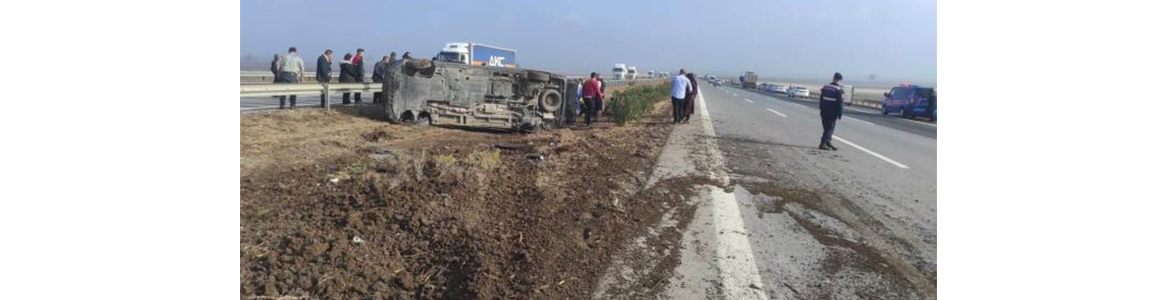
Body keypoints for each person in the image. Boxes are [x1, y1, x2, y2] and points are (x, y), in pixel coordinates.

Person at [819, 72, 846, 150]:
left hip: (824, 110)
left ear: (833, 78)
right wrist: (840, 113)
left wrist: (821, 108)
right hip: (832, 111)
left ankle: (828, 142)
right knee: (829, 127)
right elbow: (840, 103)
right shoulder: (839, 90)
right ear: (840, 80)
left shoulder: (825, 87)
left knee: (826, 127)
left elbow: (821, 99)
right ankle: (822, 143)